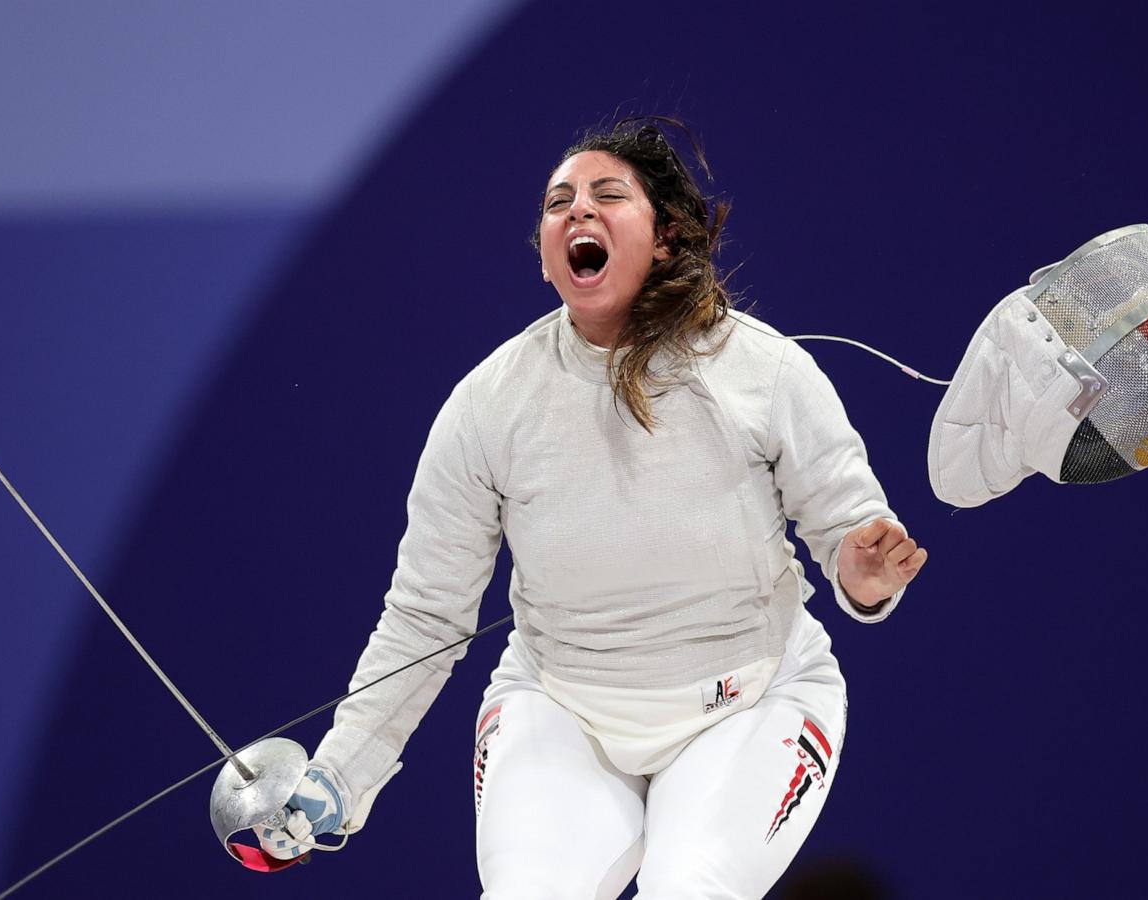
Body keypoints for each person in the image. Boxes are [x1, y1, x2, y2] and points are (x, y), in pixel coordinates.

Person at [250, 118, 927, 899]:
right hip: (561, 708)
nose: (578, 213)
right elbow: (426, 616)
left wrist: (865, 572)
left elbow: (850, 529)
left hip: (752, 700)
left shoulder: (763, 370)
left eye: (608, 196)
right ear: (545, 256)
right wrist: (344, 768)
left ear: (666, 236)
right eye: (558, 204)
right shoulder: (488, 406)